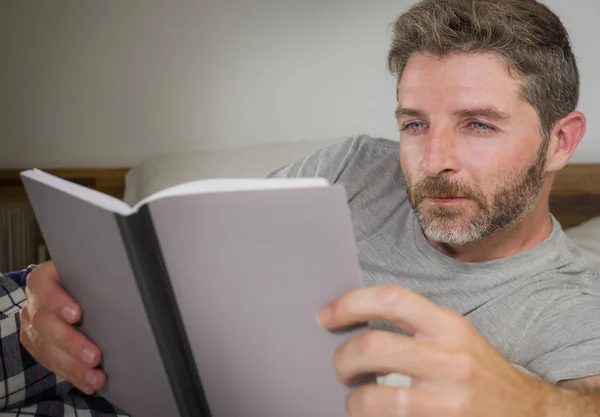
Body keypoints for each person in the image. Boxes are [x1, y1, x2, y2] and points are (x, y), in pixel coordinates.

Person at [2, 0, 600, 415]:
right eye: (415, 124)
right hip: (133, 348)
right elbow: (202, 254)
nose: (433, 159)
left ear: (560, 141)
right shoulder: (352, 169)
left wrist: (538, 405)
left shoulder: (570, 303)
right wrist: (82, 282)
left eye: (478, 125)